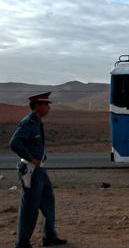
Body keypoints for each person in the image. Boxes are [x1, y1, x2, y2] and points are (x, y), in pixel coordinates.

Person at [9, 92, 67, 248]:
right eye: (46, 105)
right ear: (37, 106)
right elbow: (14, 143)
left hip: (40, 169)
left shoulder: (37, 122)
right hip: (31, 170)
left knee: (48, 201)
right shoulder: (28, 123)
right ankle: (22, 243)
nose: (48, 108)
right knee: (30, 207)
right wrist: (30, 158)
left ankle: (49, 236)